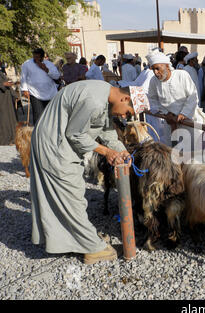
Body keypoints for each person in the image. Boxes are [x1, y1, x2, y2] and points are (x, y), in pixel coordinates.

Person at [30, 80, 150, 264]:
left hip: (59, 141)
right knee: (72, 195)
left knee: (68, 195)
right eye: (127, 112)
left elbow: (107, 130)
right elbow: (75, 134)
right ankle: (92, 248)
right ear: (125, 98)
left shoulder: (104, 95)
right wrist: (107, 152)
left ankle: (76, 238)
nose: (124, 116)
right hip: (55, 144)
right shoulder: (93, 99)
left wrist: (121, 150)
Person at [147, 51, 205, 147]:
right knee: (171, 151)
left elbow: (193, 96)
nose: (155, 73)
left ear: (166, 66)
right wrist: (165, 114)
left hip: (188, 121)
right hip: (169, 122)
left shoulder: (181, 75)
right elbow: (152, 99)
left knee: (192, 153)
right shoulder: (153, 81)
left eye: (157, 69)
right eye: (153, 70)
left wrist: (183, 114)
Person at [20, 48, 60, 125]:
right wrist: (24, 90)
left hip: (50, 93)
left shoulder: (49, 64)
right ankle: (38, 133)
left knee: (51, 114)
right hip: (35, 94)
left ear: (42, 57)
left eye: (38, 57)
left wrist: (46, 69)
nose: (36, 59)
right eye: (34, 57)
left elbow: (57, 76)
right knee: (38, 115)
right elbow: (23, 77)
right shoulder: (27, 64)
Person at [0, 72, 18, 145]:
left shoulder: (1, 72)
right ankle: (4, 139)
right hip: (1, 98)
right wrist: (3, 85)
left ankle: (12, 138)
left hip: (6, 97)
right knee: (4, 118)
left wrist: (14, 94)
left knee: (10, 117)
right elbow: (3, 84)